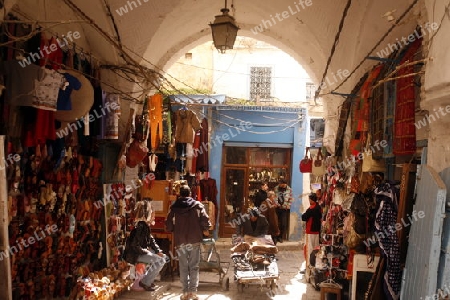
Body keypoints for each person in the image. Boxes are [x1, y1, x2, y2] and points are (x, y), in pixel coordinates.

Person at [165, 185, 211, 300]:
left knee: (183, 266)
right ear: (190, 194)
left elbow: (169, 223)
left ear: (180, 194)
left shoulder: (174, 207)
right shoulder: (198, 206)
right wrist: (205, 228)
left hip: (180, 241)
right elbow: (205, 220)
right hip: (194, 239)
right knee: (194, 266)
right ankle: (193, 293)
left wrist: (171, 229)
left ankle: (185, 292)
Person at [123, 199, 167, 291]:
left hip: (139, 253)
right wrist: (147, 252)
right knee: (160, 261)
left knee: (162, 258)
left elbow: (151, 240)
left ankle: (147, 281)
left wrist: (158, 251)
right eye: (152, 213)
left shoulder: (144, 225)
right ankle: (145, 282)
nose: (154, 216)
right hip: (135, 255)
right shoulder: (141, 226)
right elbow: (135, 245)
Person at [300, 193, 322, 277]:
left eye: (309, 199)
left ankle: (309, 267)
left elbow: (304, 217)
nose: (309, 201)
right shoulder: (319, 207)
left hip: (310, 232)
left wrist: (305, 213)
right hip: (317, 232)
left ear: (312, 200)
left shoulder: (311, 209)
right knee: (316, 249)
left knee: (309, 250)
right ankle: (315, 265)